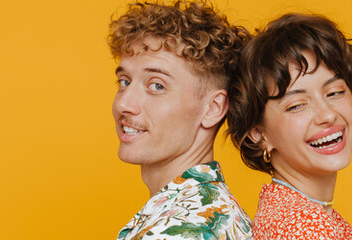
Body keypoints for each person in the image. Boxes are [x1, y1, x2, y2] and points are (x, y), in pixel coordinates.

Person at [107, 1, 252, 239]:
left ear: (213, 108)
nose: (124, 104)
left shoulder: (184, 230)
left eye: (156, 85)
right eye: (125, 81)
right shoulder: (207, 212)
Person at [226, 13, 352, 239]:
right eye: (296, 105)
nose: (327, 114)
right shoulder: (305, 227)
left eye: (334, 92)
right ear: (258, 132)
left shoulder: (292, 214)